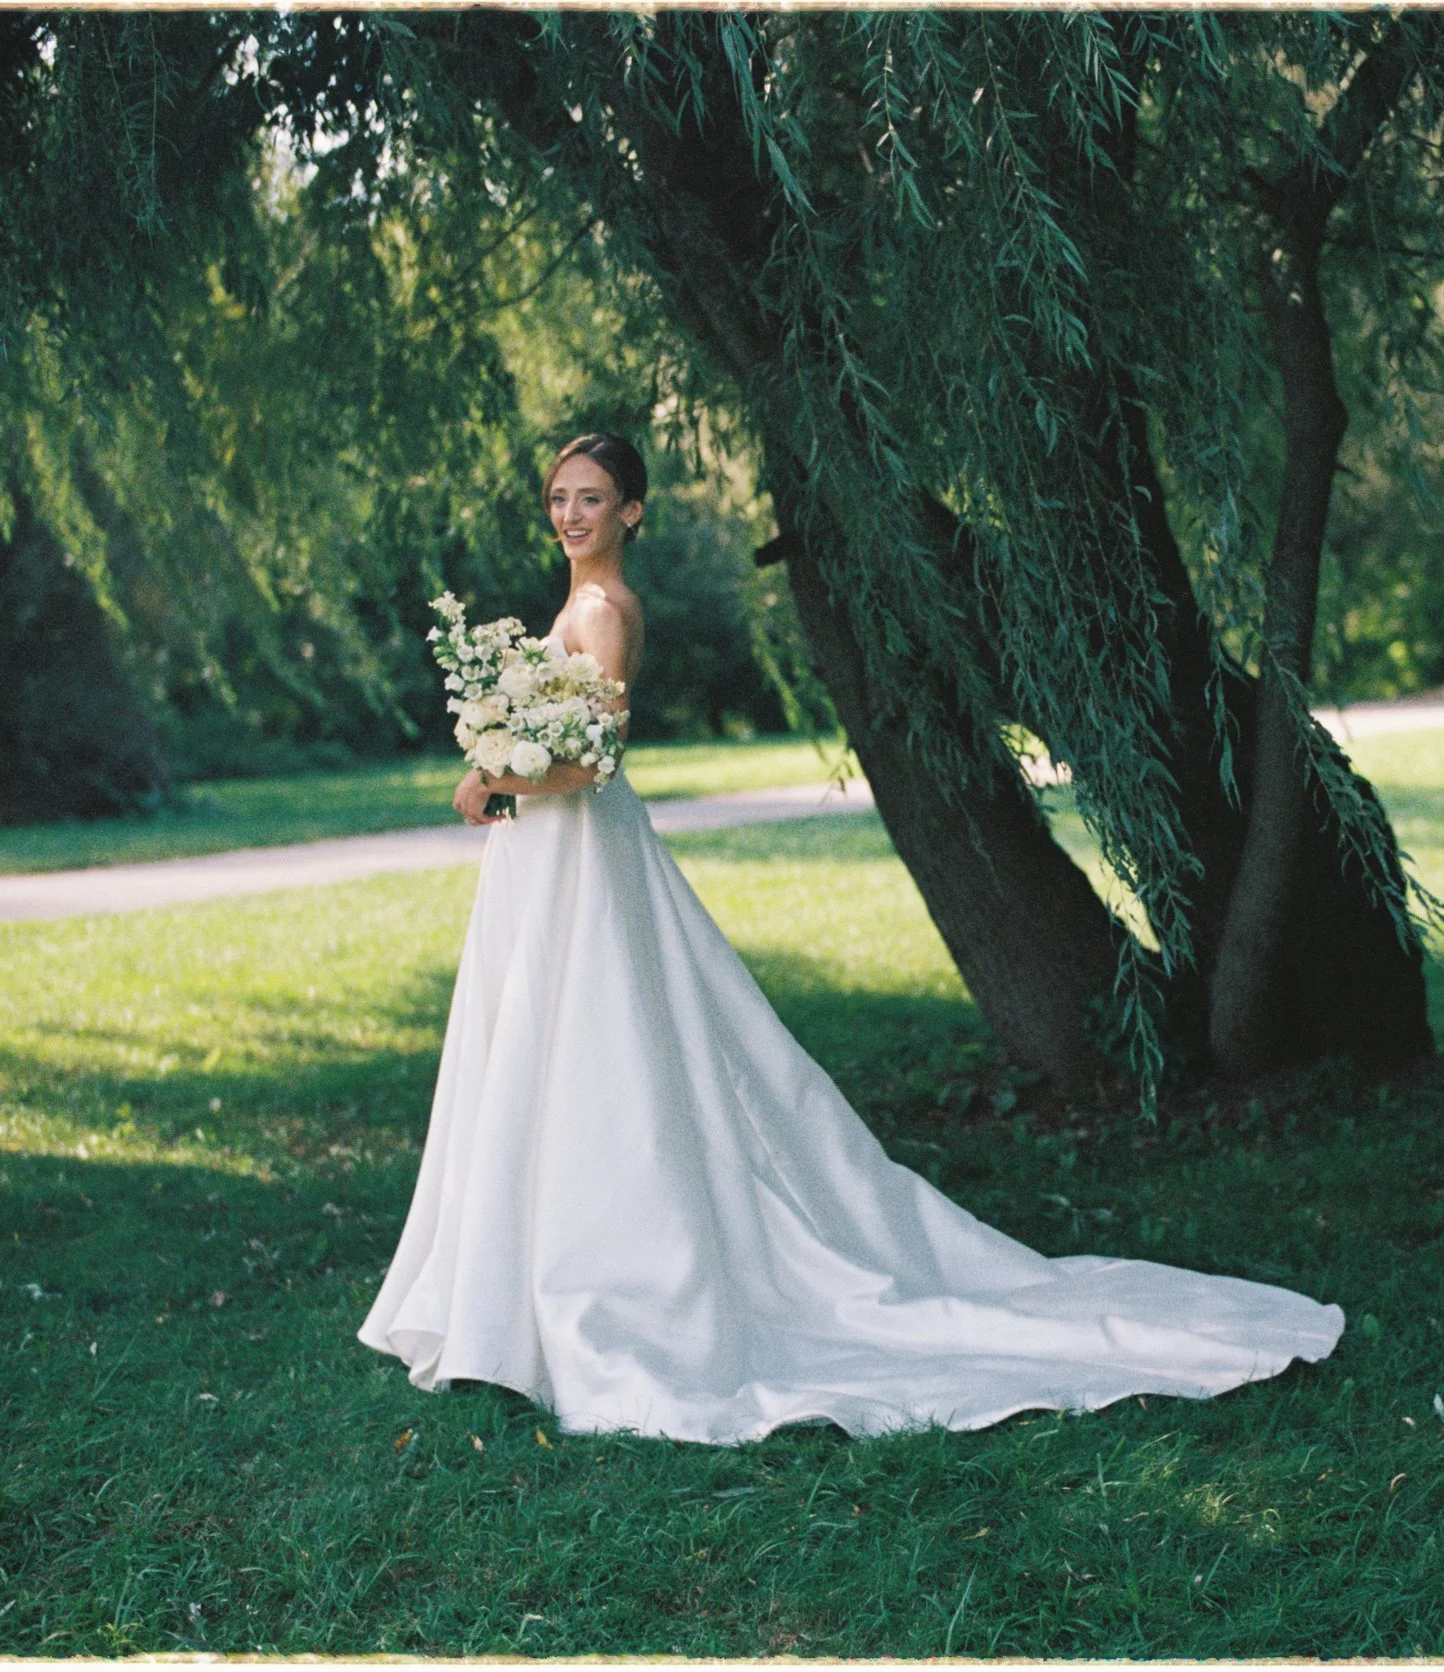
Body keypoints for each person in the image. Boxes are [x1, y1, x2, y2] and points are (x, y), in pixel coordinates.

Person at [358, 434, 1343, 1445]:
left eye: (594, 500)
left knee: (594, 1047)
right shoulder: (578, 605)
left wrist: (496, 777)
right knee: (548, 1043)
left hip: (579, 849)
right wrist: (508, 749)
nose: (571, 515)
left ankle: (601, 1283)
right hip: (549, 862)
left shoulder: (603, 610)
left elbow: (599, 760)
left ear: (634, 513)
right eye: (561, 498)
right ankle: (523, 1278)